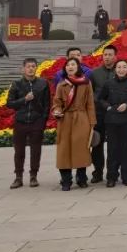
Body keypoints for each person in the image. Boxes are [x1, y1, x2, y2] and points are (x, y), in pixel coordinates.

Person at [52, 57, 96, 191]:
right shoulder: (61, 85)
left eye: (73, 65)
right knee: (64, 150)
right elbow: (57, 103)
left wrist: (92, 122)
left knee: (81, 149)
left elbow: (90, 104)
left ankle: (81, 178)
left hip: (81, 118)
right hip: (65, 120)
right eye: (68, 65)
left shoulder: (85, 83)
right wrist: (57, 111)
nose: (70, 67)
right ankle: (66, 181)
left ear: (78, 67)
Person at [6, 58, 50, 188]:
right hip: (20, 121)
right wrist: (24, 99)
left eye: (33, 66)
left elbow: (47, 104)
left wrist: (43, 121)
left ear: (36, 68)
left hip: (36, 121)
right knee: (19, 151)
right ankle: (18, 177)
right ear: (23, 69)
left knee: (36, 150)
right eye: (28, 66)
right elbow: (9, 103)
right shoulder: (16, 84)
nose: (31, 69)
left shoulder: (43, 83)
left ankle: (33, 176)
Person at [96, 57, 127, 187]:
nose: (121, 70)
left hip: (126, 120)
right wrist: (108, 107)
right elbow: (100, 99)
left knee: (125, 149)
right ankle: (111, 177)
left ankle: (126, 176)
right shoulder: (108, 84)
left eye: (124, 67)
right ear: (115, 69)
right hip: (111, 120)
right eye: (119, 67)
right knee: (112, 149)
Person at [88, 44, 120, 184]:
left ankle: (113, 172)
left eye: (110, 55)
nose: (107, 57)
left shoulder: (120, 71)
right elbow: (90, 93)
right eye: (105, 55)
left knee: (114, 145)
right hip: (99, 113)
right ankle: (98, 172)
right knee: (97, 144)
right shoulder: (95, 73)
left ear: (115, 56)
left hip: (115, 113)